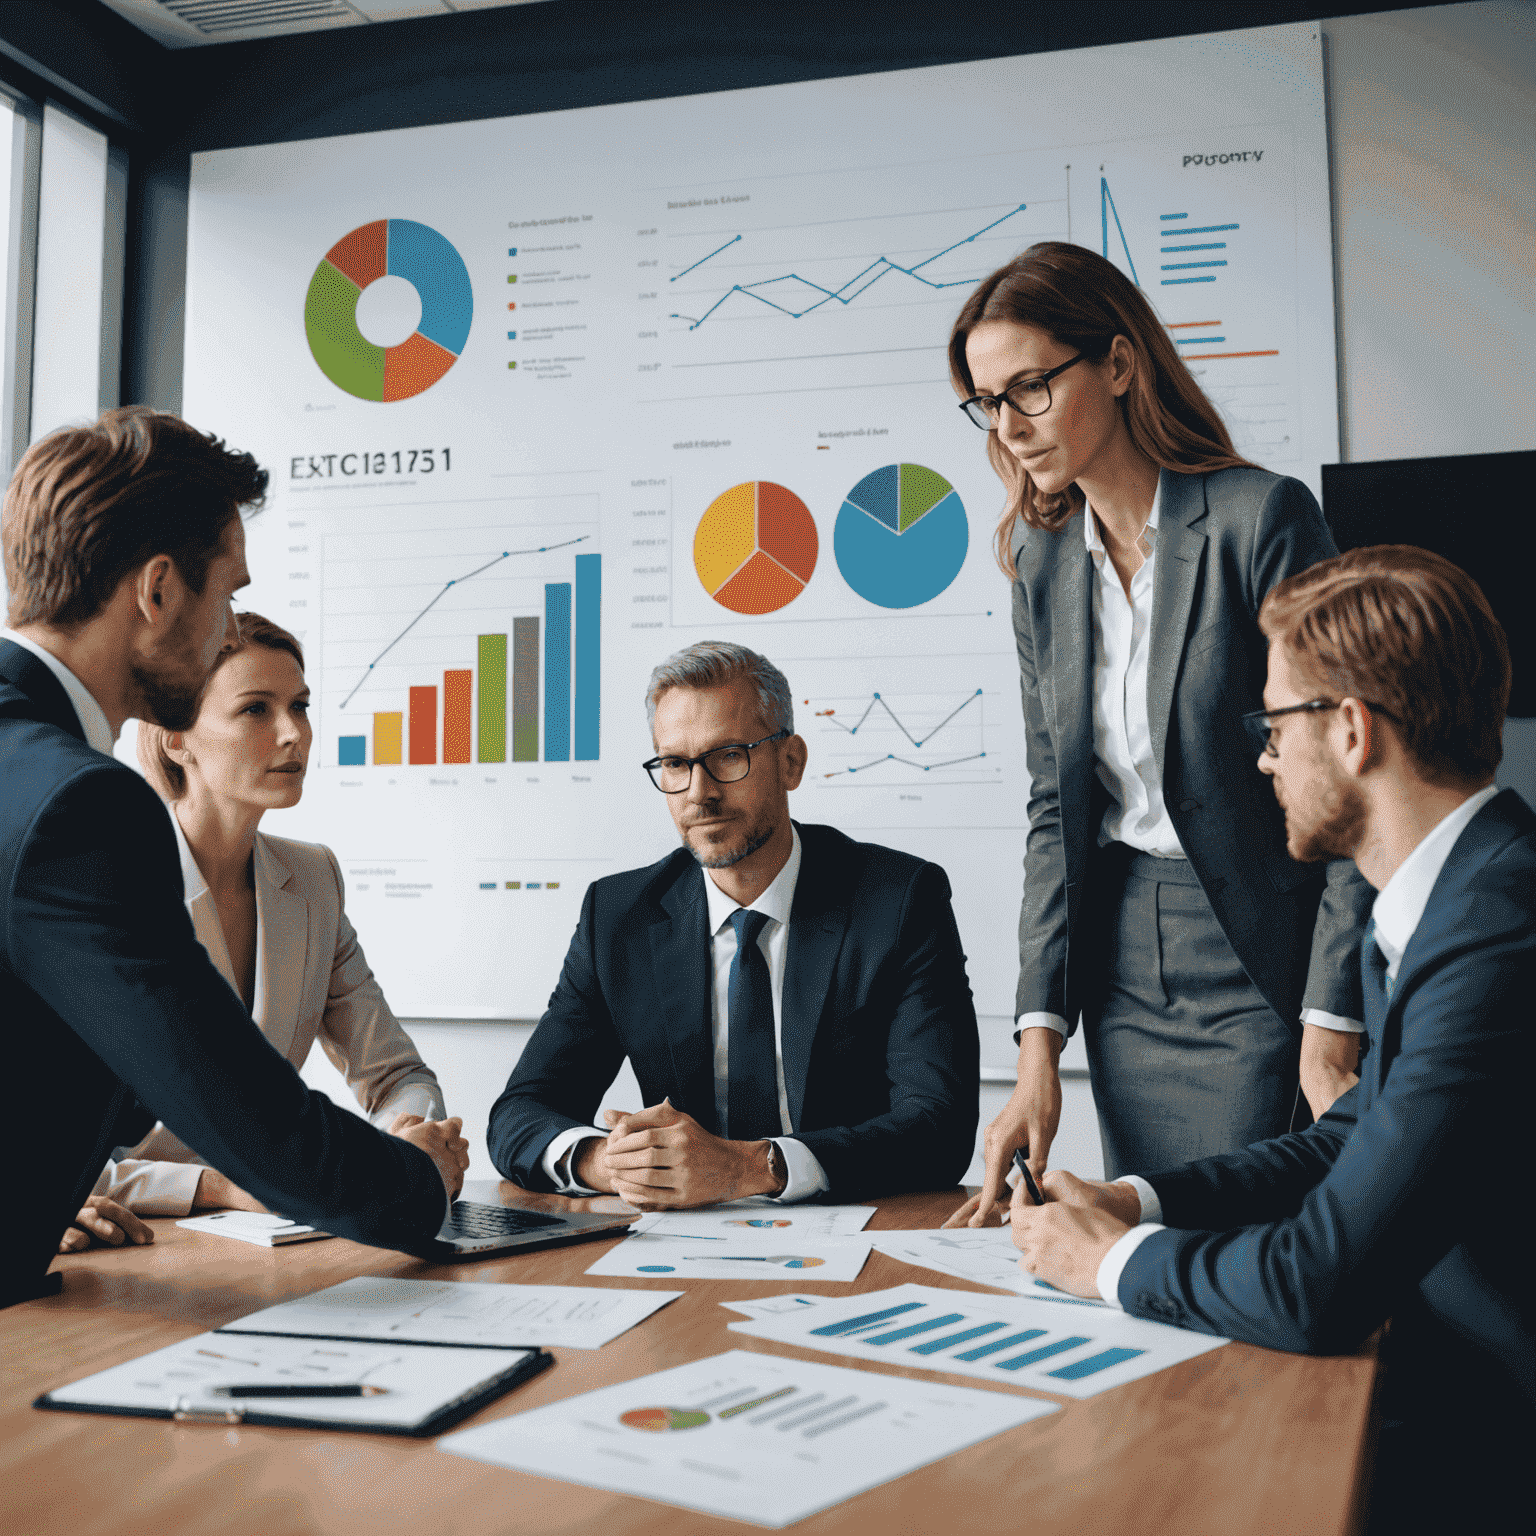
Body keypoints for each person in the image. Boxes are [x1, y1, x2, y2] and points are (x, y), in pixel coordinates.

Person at [1007, 546, 1532, 1529]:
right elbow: (1353, 1136)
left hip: (1492, 1437)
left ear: (1350, 730)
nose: (1261, 759)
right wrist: (1137, 1199)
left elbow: (1315, 1289)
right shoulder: (1445, 901)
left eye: (1271, 724)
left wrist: (1105, 1263)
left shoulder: (1497, 928)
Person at [944, 242, 1372, 1226]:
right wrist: (1037, 1052)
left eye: (1031, 389)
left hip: (1269, 955)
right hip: (1127, 973)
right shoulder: (1040, 559)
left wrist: (1330, 1023)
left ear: (1122, 365)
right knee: (1153, 1238)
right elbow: (1058, 807)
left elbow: (1350, 781)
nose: (1008, 428)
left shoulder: (1259, 519)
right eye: (987, 403)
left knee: (1260, 1243)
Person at [2, 407, 466, 1306]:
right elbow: (248, 1116)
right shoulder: (81, 805)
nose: (227, 628)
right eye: (227, 592)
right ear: (160, 590)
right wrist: (424, 1188)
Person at [487, 641, 979, 1207]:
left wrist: (754, 1167)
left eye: (727, 756)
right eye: (675, 763)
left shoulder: (897, 900)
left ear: (790, 762)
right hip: (679, 1245)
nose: (700, 793)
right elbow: (519, 1113)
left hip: (854, 1229)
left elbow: (939, 1129)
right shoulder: (619, 916)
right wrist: (610, 1162)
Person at [57, 611, 448, 1248]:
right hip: (131, 1244)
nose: (293, 733)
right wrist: (219, 1186)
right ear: (177, 735)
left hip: (263, 1242)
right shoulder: (105, 882)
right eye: (255, 710)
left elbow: (397, 1074)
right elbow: (40, 1153)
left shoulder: (312, 876)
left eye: (300, 705)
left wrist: (408, 1148)